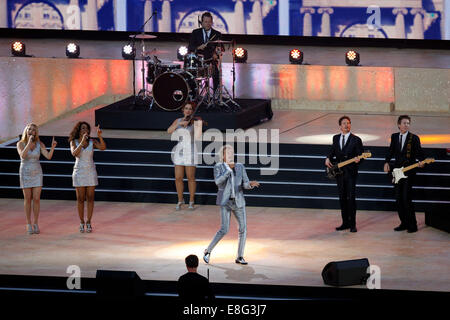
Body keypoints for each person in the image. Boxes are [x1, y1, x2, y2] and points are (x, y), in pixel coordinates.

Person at [203, 145, 259, 265]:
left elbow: (245, 183)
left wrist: (250, 184)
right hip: (225, 201)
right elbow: (218, 182)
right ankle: (208, 251)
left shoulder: (240, 166)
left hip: (238, 201)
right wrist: (228, 170)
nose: (230, 155)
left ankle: (240, 256)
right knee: (224, 229)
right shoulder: (218, 167)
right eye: (228, 153)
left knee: (243, 229)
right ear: (222, 156)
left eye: (232, 153)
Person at [384, 115, 424, 233]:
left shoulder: (414, 138)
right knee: (398, 199)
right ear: (399, 125)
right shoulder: (394, 137)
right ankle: (404, 223)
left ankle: (413, 225)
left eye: (408, 123)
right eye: (404, 123)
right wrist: (386, 162)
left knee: (407, 199)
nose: (406, 125)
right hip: (397, 172)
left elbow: (419, 153)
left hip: (409, 172)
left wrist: (422, 161)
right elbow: (390, 151)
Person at [16, 124, 57, 234]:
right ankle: (28, 223)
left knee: (37, 199)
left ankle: (36, 222)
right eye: (29, 129)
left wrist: (52, 147)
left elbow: (48, 156)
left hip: (37, 172)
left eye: (34, 130)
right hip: (25, 172)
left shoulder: (40, 144)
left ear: (36, 133)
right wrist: (29, 143)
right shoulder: (20, 144)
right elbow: (23, 156)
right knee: (28, 199)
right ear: (26, 131)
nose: (31, 131)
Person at [325, 116, 363, 233]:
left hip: (351, 173)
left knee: (351, 198)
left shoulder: (356, 140)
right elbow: (333, 150)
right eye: (344, 123)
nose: (347, 125)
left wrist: (359, 159)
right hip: (339, 174)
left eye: (348, 123)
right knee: (342, 198)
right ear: (340, 126)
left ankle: (353, 224)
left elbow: (361, 155)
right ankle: (345, 223)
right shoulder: (336, 138)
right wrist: (327, 158)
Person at [69, 122, 106, 233]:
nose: (85, 130)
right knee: (80, 198)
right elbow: (74, 153)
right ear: (79, 130)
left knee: (90, 198)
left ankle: (89, 221)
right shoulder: (73, 142)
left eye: (87, 129)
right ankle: (81, 221)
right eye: (83, 128)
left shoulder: (92, 142)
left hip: (90, 171)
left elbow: (103, 147)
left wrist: (99, 136)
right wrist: (81, 143)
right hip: (79, 171)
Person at [167, 103, 203, 210]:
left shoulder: (194, 122)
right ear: (183, 110)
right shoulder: (178, 121)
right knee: (178, 177)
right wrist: (180, 124)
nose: (188, 111)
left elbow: (198, 137)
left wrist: (198, 125)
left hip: (190, 150)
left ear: (192, 111)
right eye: (186, 108)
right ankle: (180, 200)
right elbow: (169, 131)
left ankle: (191, 201)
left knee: (190, 177)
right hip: (179, 150)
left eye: (190, 109)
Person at [188, 11, 222, 92]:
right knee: (191, 74)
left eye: (209, 22)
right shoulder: (195, 32)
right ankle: (194, 94)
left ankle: (215, 95)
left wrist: (217, 53)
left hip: (211, 61)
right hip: (198, 61)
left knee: (216, 74)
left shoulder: (217, 34)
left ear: (212, 22)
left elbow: (221, 48)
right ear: (201, 23)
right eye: (206, 22)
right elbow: (190, 47)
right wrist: (198, 47)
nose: (208, 24)